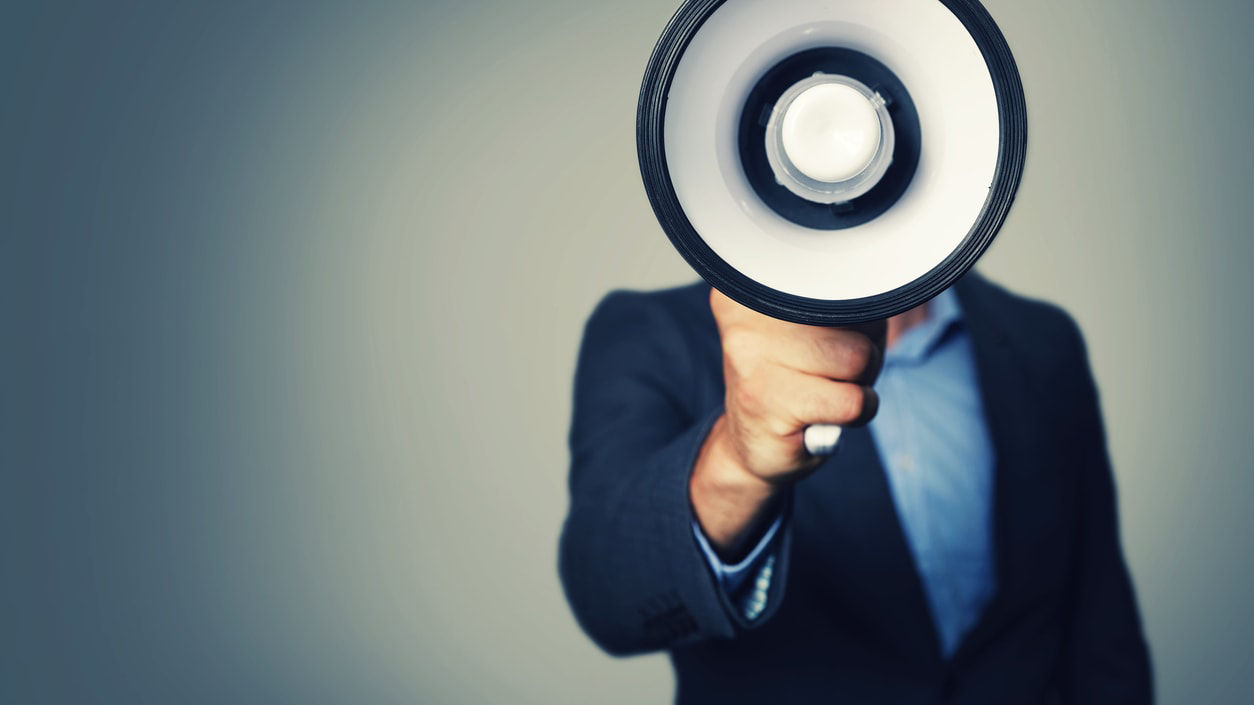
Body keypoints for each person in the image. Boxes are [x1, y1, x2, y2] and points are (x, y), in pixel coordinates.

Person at [558, 272, 1152, 704]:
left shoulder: (1043, 340)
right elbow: (608, 591)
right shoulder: (653, 332)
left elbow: (1100, 620)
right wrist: (737, 461)